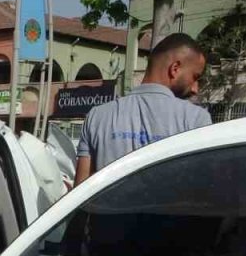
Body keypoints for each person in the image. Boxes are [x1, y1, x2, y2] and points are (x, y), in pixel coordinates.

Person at [74, 33, 212, 187]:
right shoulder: (196, 120)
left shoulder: (97, 117)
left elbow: (80, 191)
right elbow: (201, 190)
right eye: (195, 77)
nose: (195, 88)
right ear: (175, 68)